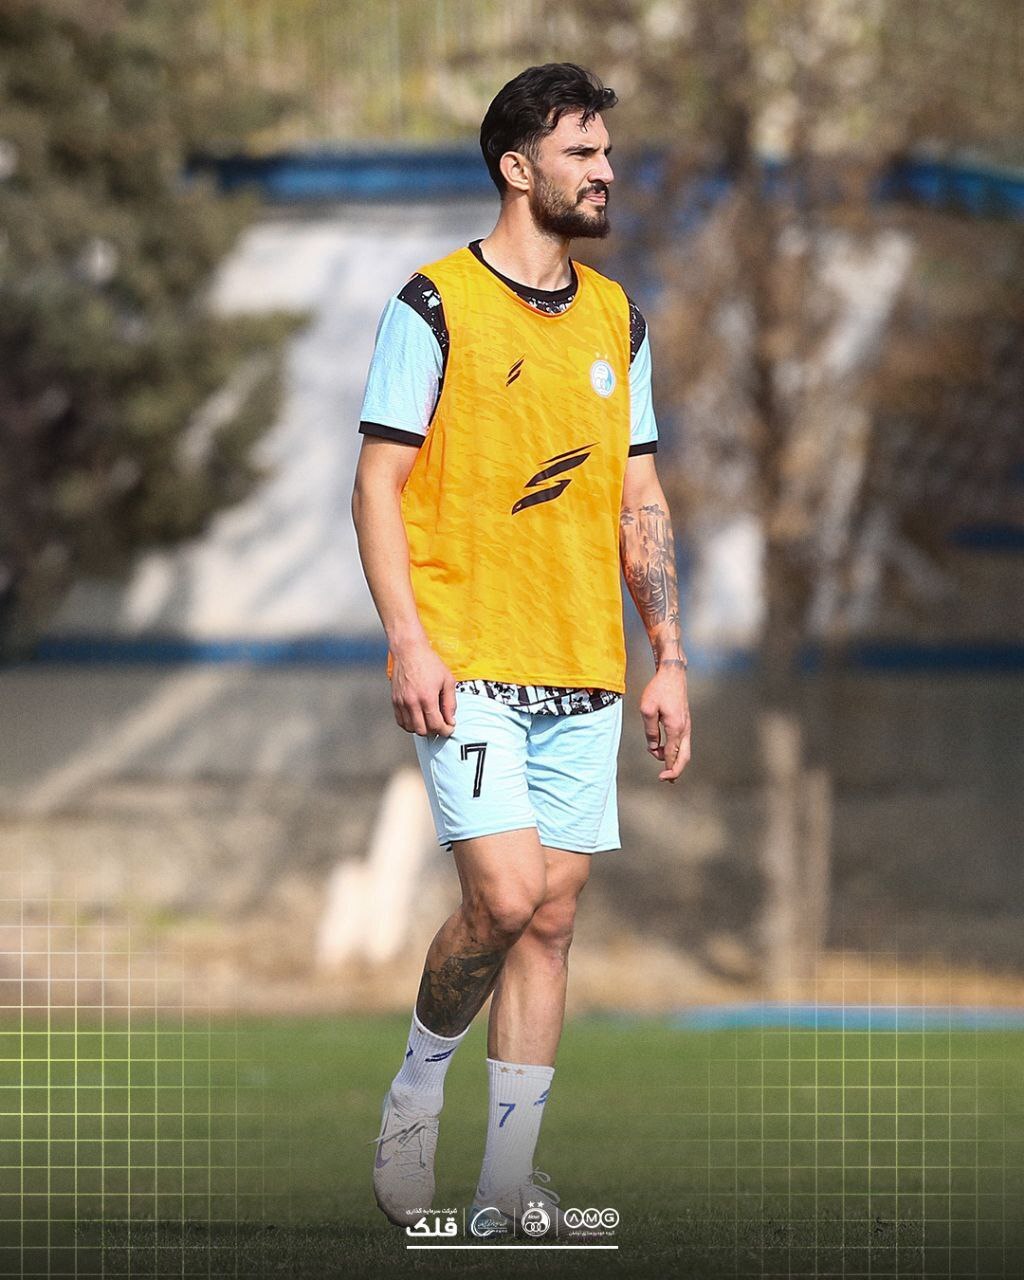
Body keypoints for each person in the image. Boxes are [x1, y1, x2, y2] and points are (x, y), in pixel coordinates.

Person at [352, 62, 691, 1234]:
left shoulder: (619, 318)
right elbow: (377, 485)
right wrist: (407, 640)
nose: (605, 172)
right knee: (501, 896)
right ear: (516, 167)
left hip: (584, 666)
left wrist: (668, 653)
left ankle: (504, 1183)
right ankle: (415, 1088)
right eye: (581, 153)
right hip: (468, 660)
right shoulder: (432, 304)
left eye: (606, 152)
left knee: (552, 916)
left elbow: (638, 499)